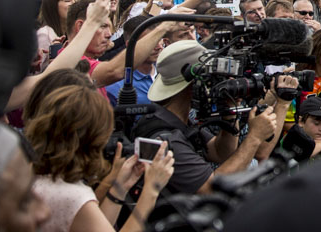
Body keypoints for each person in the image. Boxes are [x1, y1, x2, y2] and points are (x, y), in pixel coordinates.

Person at [132, 40, 292, 194]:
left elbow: (220, 153)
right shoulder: (166, 138)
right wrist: (255, 137)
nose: (217, 83)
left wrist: (229, 114)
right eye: (213, 79)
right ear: (194, 84)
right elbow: (211, 188)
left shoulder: (179, 120)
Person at [26, 85, 175, 232]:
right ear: (91, 139)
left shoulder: (37, 177)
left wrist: (121, 186)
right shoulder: (73, 195)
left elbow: (97, 225)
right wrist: (151, 190)